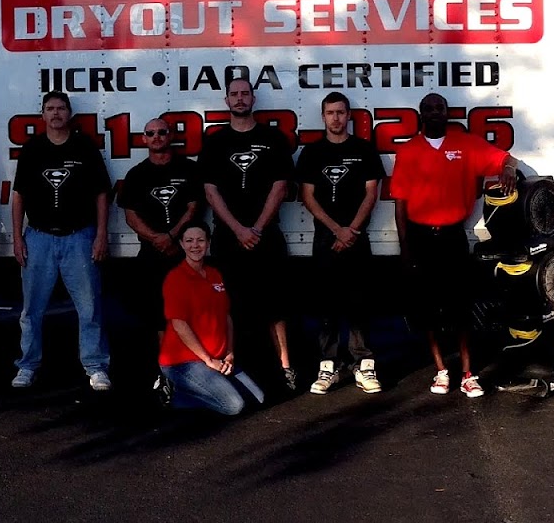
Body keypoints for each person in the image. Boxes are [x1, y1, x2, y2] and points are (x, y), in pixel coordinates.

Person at [391, 93, 518, 398]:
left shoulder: (465, 144)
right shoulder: (408, 151)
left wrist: (509, 168)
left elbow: (505, 158)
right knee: (428, 310)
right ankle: (441, 371)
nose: (435, 112)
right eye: (429, 109)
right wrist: (405, 247)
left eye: (440, 108)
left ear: (447, 113)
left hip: (452, 237)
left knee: (461, 307)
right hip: (420, 237)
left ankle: (468, 374)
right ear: (421, 115)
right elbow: (400, 204)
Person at [199, 77, 298, 390]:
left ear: (253, 99)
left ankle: (285, 367)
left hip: (266, 235)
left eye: (245, 93)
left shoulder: (273, 138)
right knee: (229, 305)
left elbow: (280, 187)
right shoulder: (215, 141)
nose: (240, 98)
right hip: (228, 237)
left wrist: (256, 228)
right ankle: (233, 365)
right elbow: (211, 191)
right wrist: (238, 229)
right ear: (226, 100)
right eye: (234, 94)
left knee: (275, 304)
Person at [11, 91, 112, 391]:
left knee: (90, 308)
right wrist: (17, 238)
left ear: (69, 114)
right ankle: (27, 366)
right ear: (42, 114)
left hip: (79, 237)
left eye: (61, 108)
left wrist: (101, 234)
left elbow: (101, 194)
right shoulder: (32, 149)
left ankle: (96, 367)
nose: (55, 113)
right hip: (39, 237)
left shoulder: (85, 147)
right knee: (31, 310)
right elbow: (19, 197)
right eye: (50, 108)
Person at [296, 93, 385, 395]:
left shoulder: (364, 150)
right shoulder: (312, 153)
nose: (336, 118)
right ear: (323, 116)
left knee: (359, 303)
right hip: (326, 239)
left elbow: (371, 193)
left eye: (341, 112)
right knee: (327, 304)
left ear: (349, 116)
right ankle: (328, 366)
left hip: (357, 238)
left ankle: (364, 365)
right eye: (330, 112)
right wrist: (336, 230)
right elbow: (307, 196)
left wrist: (351, 230)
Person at [116, 116, 203, 397]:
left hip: (185, 254)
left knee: (191, 312)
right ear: (144, 139)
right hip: (152, 255)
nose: (156, 137)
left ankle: (195, 367)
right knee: (158, 315)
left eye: (162, 132)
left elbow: (193, 207)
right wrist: (156, 238)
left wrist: (172, 236)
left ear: (171, 136)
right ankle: (165, 370)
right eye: (150, 133)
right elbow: (130, 215)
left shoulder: (188, 169)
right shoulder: (137, 174)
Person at [159, 222, 265, 416]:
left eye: (200, 240)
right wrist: (208, 361)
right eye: (189, 241)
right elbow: (179, 325)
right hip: (184, 362)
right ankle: (176, 395)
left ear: (208, 243)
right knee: (234, 406)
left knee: (257, 399)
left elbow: (226, 316)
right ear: (181, 244)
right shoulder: (176, 278)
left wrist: (230, 353)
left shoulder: (214, 274)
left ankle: (198, 389)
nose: (195, 245)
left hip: (218, 358)